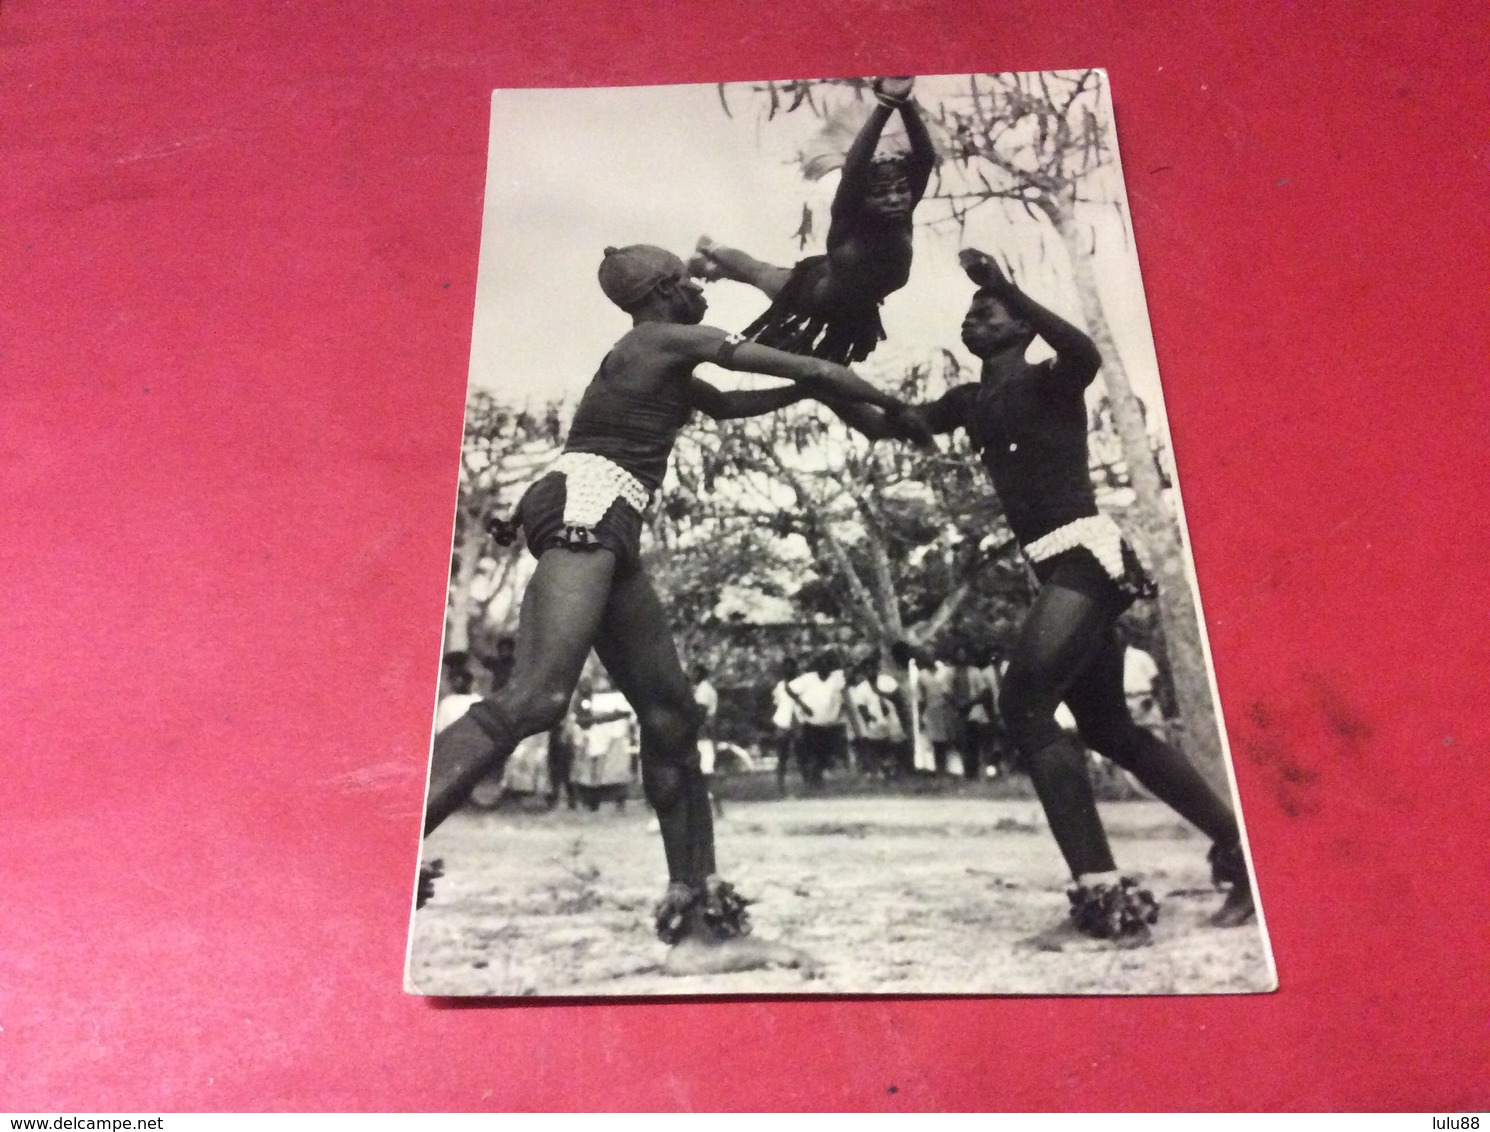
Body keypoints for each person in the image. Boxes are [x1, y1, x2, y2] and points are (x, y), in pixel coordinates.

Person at [418, 243, 924, 973]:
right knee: (537, 697)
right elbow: (808, 366)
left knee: (671, 718)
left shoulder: (661, 357)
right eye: (690, 280)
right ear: (665, 290)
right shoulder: (662, 337)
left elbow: (731, 403)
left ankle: (701, 926)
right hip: (590, 502)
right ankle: (392, 839)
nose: (701, 288)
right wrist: (896, 409)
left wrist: (815, 393)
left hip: (606, 510)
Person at [835, 246, 1256, 946]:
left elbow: (1083, 351)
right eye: (969, 312)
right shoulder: (971, 401)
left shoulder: (1051, 382)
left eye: (988, 310)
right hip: (1057, 568)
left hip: (1086, 557)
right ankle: (1243, 851)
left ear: (1022, 325)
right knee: (1108, 729)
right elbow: (890, 425)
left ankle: (1103, 903)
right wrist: (819, 383)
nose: (973, 319)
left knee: (1024, 706)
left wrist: (1009, 285)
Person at [688, 76, 936, 364]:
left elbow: (924, 160)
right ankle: (710, 247)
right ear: (861, 197)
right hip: (812, 295)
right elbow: (854, 171)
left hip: (854, 301)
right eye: (880, 193)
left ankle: (713, 267)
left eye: (901, 189)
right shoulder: (847, 220)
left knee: (762, 273)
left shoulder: (901, 216)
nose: (894, 199)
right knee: (761, 273)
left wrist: (904, 104)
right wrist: (885, 107)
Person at [789, 652, 849, 788]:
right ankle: (813, 779)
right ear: (817, 667)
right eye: (822, 665)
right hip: (811, 723)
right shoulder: (807, 678)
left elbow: (845, 686)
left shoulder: (836, 679)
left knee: (824, 753)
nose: (825, 668)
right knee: (812, 752)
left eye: (828, 665)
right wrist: (803, 705)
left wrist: (840, 710)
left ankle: (817, 777)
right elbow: (789, 689)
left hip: (829, 723)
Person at [690, 664, 723, 817]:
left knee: (706, 774)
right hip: (705, 736)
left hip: (702, 737)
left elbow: (700, 713)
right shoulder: (706, 688)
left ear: (699, 673)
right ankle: (713, 809)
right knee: (704, 775)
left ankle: (716, 809)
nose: (691, 675)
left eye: (693, 672)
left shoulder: (703, 690)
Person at [769, 657, 805, 794]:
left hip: (798, 721)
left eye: (791, 667)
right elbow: (777, 704)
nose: (788, 670)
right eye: (786, 667)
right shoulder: (779, 686)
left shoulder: (801, 684)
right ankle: (781, 785)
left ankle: (806, 783)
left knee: (802, 754)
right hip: (783, 722)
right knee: (782, 756)